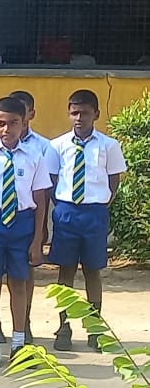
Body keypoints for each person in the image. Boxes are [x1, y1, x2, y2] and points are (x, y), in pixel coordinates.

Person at [0, 97, 51, 368]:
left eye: (13, 123)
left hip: (22, 224)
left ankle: (19, 344)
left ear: (23, 123)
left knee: (19, 283)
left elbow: (40, 201)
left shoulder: (35, 156)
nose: (7, 129)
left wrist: (37, 240)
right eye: (1, 123)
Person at [48, 89, 126, 352]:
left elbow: (113, 179)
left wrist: (102, 202)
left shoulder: (108, 145)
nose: (79, 118)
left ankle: (95, 329)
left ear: (96, 114)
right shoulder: (57, 145)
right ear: (69, 114)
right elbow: (52, 179)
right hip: (67, 212)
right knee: (66, 270)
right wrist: (62, 205)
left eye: (84, 113)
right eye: (74, 113)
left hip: (94, 213)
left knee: (93, 270)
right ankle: (64, 326)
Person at [8, 89, 55, 343]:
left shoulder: (43, 147)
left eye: (22, 112)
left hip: (29, 216)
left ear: (31, 114)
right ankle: (1, 325)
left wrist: (41, 228)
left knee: (25, 271)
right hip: (0, 219)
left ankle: (23, 322)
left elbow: (43, 191)